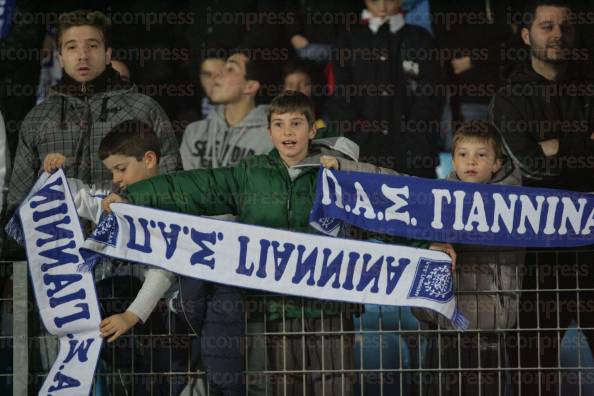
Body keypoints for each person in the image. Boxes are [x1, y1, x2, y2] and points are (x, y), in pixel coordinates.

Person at [489, 1, 594, 393]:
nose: (558, 35)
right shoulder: (510, 96)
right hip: (536, 258)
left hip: (590, 251)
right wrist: (582, 145)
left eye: (565, 27)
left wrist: (556, 145)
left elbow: (544, 157)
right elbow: (530, 167)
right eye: (547, 26)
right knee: (533, 373)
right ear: (526, 34)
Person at [7, 9, 180, 221]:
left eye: (92, 45)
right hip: (58, 250)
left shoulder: (144, 109)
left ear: (107, 54)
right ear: (60, 57)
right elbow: (18, 202)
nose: (82, 55)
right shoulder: (38, 117)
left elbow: (172, 184)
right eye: (71, 47)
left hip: (127, 245)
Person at [43, 119, 176, 394]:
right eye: (112, 171)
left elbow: (163, 272)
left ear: (149, 159)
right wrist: (56, 173)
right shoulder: (113, 200)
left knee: (153, 382)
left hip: (160, 318)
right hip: (119, 315)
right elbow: (81, 197)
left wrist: (130, 316)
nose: (116, 179)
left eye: (121, 169)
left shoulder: (171, 205)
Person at [326, 0, 444, 177]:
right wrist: (356, 136)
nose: (382, 7)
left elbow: (432, 96)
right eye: (375, 1)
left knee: (416, 202)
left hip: (413, 154)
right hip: (361, 151)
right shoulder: (348, 39)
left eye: (388, 0)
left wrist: (415, 139)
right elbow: (340, 95)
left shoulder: (420, 39)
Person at [179, 51, 273, 170]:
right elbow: (182, 185)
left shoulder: (271, 138)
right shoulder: (194, 132)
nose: (218, 74)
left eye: (230, 69)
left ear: (250, 86)